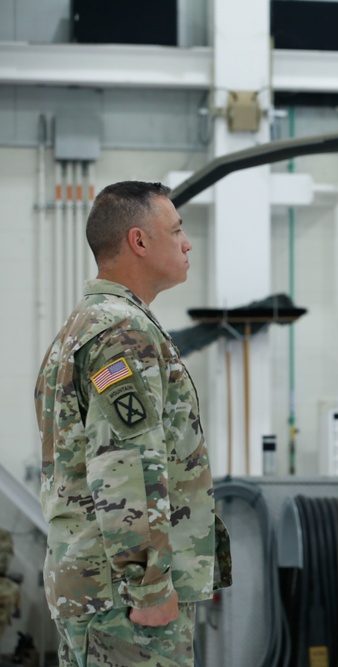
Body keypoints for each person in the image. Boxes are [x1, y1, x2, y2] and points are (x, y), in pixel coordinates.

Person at [35, 181, 232, 667]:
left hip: (96, 590)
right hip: (121, 600)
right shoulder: (123, 332)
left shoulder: (88, 325)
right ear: (139, 241)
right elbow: (127, 468)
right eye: (177, 230)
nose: (187, 243)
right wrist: (148, 584)